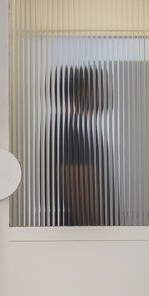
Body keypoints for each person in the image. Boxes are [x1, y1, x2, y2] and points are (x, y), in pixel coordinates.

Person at [52, 65, 115, 226]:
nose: (107, 91)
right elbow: (79, 194)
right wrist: (98, 237)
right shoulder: (72, 132)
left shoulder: (81, 129)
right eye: (101, 86)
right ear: (84, 92)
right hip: (86, 238)